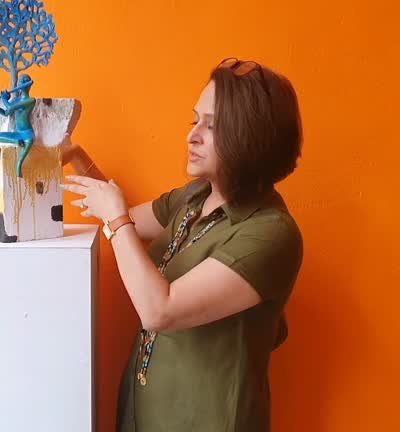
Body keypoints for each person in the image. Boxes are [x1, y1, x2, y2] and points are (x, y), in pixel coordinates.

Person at [60, 57, 304, 432]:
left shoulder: (270, 233)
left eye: (213, 125)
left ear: (252, 136)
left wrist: (115, 217)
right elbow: (126, 222)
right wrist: (77, 156)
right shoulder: (194, 197)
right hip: (147, 414)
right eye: (195, 121)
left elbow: (160, 310)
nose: (192, 136)